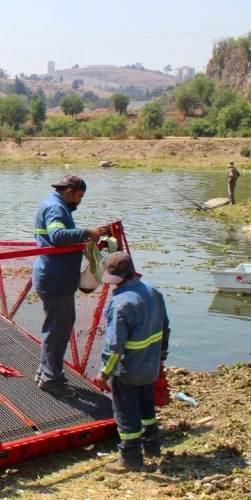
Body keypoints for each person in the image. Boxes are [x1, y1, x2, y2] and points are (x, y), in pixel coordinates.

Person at [32, 175, 110, 399]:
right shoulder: (55, 208)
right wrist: (87, 233)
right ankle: (51, 380)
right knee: (58, 332)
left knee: (56, 330)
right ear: (69, 192)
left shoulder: (55, 204)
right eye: (79, 196)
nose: (79, 201)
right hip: (55, 280)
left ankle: (46, 372)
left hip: (55, 278)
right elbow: (57, 236)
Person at [95, 252, 170, 473]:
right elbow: (165, 327)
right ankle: (153, 446)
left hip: (127, 370)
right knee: (147, 407)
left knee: (126, 414)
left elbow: (114, 345)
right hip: (150, 366)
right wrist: (161, 356)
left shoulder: (121, 304)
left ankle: (130, 457)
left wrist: (104, 374)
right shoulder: (152, 291)